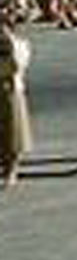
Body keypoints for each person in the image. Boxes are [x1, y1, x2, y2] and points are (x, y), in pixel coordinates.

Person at [0, 15, 33, 189]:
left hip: (11, 90)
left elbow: (14, 66)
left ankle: (11, 171)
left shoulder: (16, 44)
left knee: (13, 132)